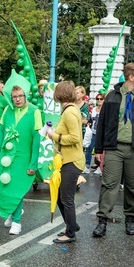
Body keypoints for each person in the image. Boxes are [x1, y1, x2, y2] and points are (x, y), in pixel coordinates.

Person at [92, 62, 134, 237]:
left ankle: (130, 219)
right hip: (114, 148)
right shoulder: (112, 96)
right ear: (131, 77)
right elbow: (102, 124)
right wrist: (98, 149)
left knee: (133, 186)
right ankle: (102, 221)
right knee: (109, 185)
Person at [0, 79, 41, 235]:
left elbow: (36, 141)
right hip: (6, 157)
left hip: (23, 158)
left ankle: (17, 221)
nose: (17, 99)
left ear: (26, 95)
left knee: (17, 189)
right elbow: (0, 136)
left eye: (20, 96)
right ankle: (12, 213)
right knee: (5, 187)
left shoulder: (35, 111)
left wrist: (33, 164)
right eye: (14, 97)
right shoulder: (7, 110)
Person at [48, 81, 85, 243]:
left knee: (66, 198)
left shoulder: (69, 112)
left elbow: (75, 138)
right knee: (61, 197)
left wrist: (54, 136)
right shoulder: (70, 110)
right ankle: (72, 225)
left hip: (72, 161)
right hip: (67, 161)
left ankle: (70, 233)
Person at [84, 92, 104, 174]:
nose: (99, 100)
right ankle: (87, 165)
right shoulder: (94, 109)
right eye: (97, 99)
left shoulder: (105, 109)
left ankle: (100, 167)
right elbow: (90, 119)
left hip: (101, 133)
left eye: (101, 99)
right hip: (92, 131)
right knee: (89, 148)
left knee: (99, 150)